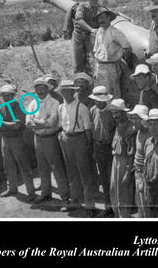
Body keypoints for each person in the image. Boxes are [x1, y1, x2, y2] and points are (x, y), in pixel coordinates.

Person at [26, 77, 70, 205]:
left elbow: (51, 123)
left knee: (57, 168)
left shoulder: (55, 103)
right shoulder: (32, 104)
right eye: (37, 89)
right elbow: (28, 123)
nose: (39, 91)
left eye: (42, 88)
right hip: (37, 138)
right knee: (42, 168)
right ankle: (45, 193)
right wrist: (42, 123)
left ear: (47, 89)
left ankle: (65, 197)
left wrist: (38, 122)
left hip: (51, 138)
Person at [57, 80, 98, 216]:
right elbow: (61, 124)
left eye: (69, 91)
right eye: (64, 91)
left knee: (84, 173)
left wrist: (87, 146)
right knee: (71, 172)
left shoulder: (82, 108)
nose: (66, 93)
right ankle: (75, 202)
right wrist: (62, 136)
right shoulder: (61, 107)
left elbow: (88, 130)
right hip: (66, 139)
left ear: (74, 92)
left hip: (79, 139)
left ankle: (90, 205)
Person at [0, 84, 36, 202]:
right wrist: (8, 125)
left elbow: (18, 126)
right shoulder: (0, 108)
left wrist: (3, 124)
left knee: (23, 165)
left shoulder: (18, 107)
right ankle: (12, 188)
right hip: (5, 140)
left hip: (17, 139)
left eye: (8, 95)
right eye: (4, 96)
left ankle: (31, 192)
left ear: (13, 95)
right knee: (8, 166)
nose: (6, 98)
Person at [88, 86, 116, 217]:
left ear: (106, 100)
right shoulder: (93, 110)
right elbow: (93, 131)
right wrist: (94, 149)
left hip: (110, 148)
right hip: (98, 147)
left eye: (100, 100)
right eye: (95, 100)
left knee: (113, 178)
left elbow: (116, 131)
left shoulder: (112, 111)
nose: (97, 103)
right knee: (104, 178)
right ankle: (108, 206)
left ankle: (117, 207)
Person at [93, 7, 132, 99]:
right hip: (100, 66)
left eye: (103, 18)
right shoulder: (99, 32)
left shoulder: (115, 32)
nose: (101, 20)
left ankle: (115, 111)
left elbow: (126, 47)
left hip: (112, 67)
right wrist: (95, 69)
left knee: (113, 94)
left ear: (109, 18)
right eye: (99, 18)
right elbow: (96, 51)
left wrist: (123, 61)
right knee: (101, 93)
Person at [108, 99, 137, 218]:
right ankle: (117, 215)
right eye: (113, 113)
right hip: (116, 160)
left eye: (117, 113)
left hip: (125, 162)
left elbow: (131, 153)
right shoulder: (118, 125)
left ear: (124, 112)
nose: (115, 115)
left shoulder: (130, 128)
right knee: (114, 190)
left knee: (124, 193)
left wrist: (128, 172)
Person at [71, 0, 103, 73]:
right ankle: (79, 78)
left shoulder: (101, 9)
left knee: (94, 60)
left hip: (92, 37)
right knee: (78, 61)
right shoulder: (82, 7)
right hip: (79, 35)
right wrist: (91, 29)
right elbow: (79, 20)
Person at [128, 105, 151, 218]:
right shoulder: (139, 132)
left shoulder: (150, 135)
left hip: (144, 175)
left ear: (143, 120)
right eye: (132, 118)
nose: (132, 121)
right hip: (138, 174)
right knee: (140, 205)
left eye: (135, 118)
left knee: (146, 206)